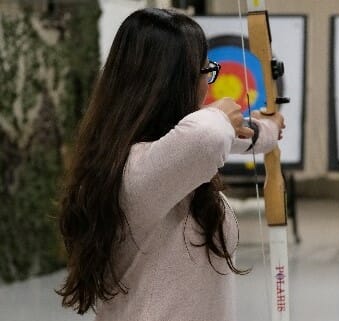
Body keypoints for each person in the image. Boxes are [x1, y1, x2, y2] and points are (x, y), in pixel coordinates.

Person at [56, 7, 285, 321]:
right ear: (173, 84)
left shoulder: (133, 154)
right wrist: (219, 114)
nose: (209, 84)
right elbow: (207, 136)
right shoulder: (141, 169)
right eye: (206, 71)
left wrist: (267, 129)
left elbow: (227, 136)